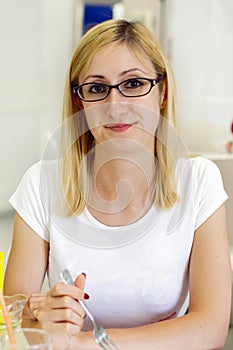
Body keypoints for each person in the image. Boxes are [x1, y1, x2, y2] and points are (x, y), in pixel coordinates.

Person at [4, 19, 232, 349]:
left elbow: (210, 328)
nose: (115, 106)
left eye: (134, 83)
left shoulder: (199, 182)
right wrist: (44, 319)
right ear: (80, 101)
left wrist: (85, 343)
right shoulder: (39, 184)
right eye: (97, 88)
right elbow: (17, 317)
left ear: (162, 92)